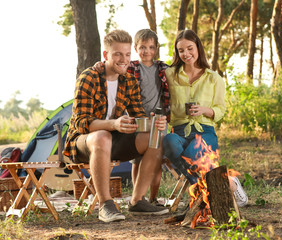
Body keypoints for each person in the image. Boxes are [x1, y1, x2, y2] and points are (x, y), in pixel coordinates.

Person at [63, 29, 169, 223]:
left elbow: (138, 115)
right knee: (102, 136)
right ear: (106, 55)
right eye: (118, 54)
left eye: (127, 54)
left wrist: (154, 121)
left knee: (156, 137)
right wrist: (113, 123)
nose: (124, 59)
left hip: (114, 140)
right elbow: (81, 123)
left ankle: (137, 200)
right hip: (83, 143)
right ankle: (106, 204)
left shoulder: (129, 80)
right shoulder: (89, 78)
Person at [93, 29, 169, 206]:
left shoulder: (163, 68)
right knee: (137, 160)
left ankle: (151, 198)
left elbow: (178, 75)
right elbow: (112, 64)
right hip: (136, 120)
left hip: (156, 119)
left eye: (151, 47)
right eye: (142, 47)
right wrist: (101, 64)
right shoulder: (131, 67)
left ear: (156, 49)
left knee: (156, 155)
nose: (146, 51)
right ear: (136, 48)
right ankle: (137, 195)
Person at [162, 29, 226, 185]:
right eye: (181, 50)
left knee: (192, 152)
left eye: (190, 48)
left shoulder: (213, 78)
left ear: (198, 47)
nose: (186, 53)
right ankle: (197, 182)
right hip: (179, 132)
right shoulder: (170, 74)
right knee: (168, 141)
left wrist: (205, 110)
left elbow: (221, 110)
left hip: (205, 132)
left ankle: (198, 183)